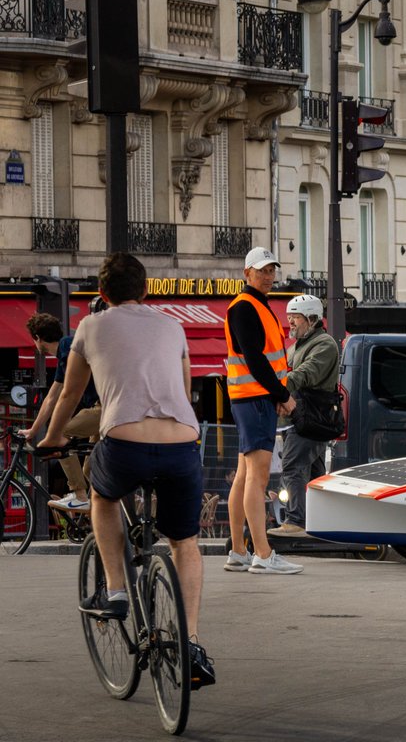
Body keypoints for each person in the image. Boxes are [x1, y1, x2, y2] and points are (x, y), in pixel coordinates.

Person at [38, 252, 215, 688]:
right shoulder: (173, 326)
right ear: (147, 290)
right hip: (180, 444)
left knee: (103, 495)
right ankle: (190, 641)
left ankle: (116, 588)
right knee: (185, 543)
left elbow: (69, 395)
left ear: (101, 294)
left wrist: (52, 439)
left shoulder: (90, 326)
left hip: (124, 442)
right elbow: (185, 387)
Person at [223, 247, 302, 575]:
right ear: (247, 273)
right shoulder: (245, 307)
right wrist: (282, 394)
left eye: (272, 270)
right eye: (262, 271)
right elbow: (255, 358)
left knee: (244, 477)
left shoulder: (252, 305)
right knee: (256, 480)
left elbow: (257, 357)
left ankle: (240, 552)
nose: (269, 276)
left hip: (249, 398)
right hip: (255, 399)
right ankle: (263, 554)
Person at [268, 294, 340, 538]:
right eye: (289, 318)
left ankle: (295, 520)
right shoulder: (296, 346)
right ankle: (323, 521)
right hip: (299, 417)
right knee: (315, 473)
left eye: (295, 318)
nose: (291, 323)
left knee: (292, 465)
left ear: (311, 318)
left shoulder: (325, 344)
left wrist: (279, 389)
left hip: (313, 417)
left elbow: (306, 373)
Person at [20, 312, 102, 512]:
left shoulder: (68, 346)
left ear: (38, 338)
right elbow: (51, 398)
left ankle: (79, 495)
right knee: (91, 468)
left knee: (61, 433)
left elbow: (65, 395)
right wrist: (33, 430)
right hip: (106, 406)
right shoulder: (64, 356)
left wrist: (49, 434)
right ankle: (124, 510)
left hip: (104, 406)